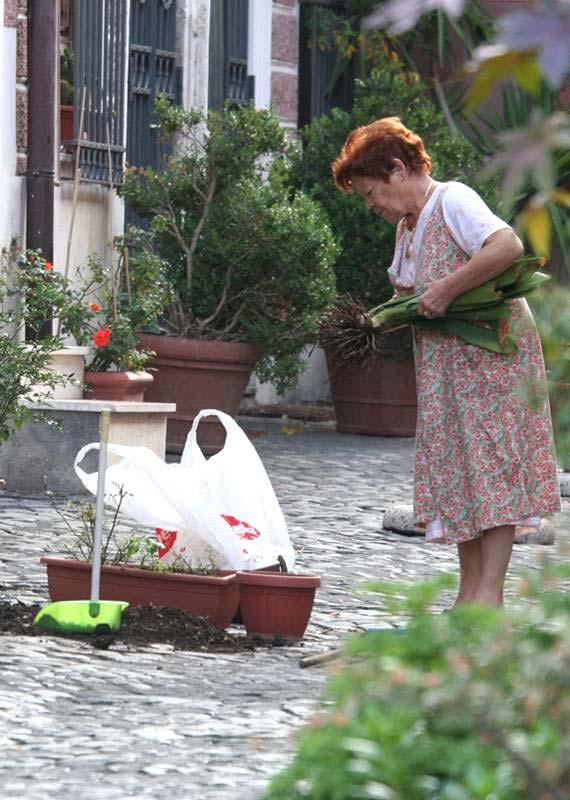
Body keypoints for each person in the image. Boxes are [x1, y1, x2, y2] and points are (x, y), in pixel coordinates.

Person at [332, 116, 561, 608]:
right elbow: (421, 300)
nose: (370, 205)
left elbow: (507, 245)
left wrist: (449, 287)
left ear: (397, 169)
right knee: (460, 471)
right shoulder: (406, 229)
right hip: (447, 368)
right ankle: (467, 594)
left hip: (491, 356)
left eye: (371, 193)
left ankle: (489, 598)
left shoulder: (452, 200)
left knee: (491, 469)